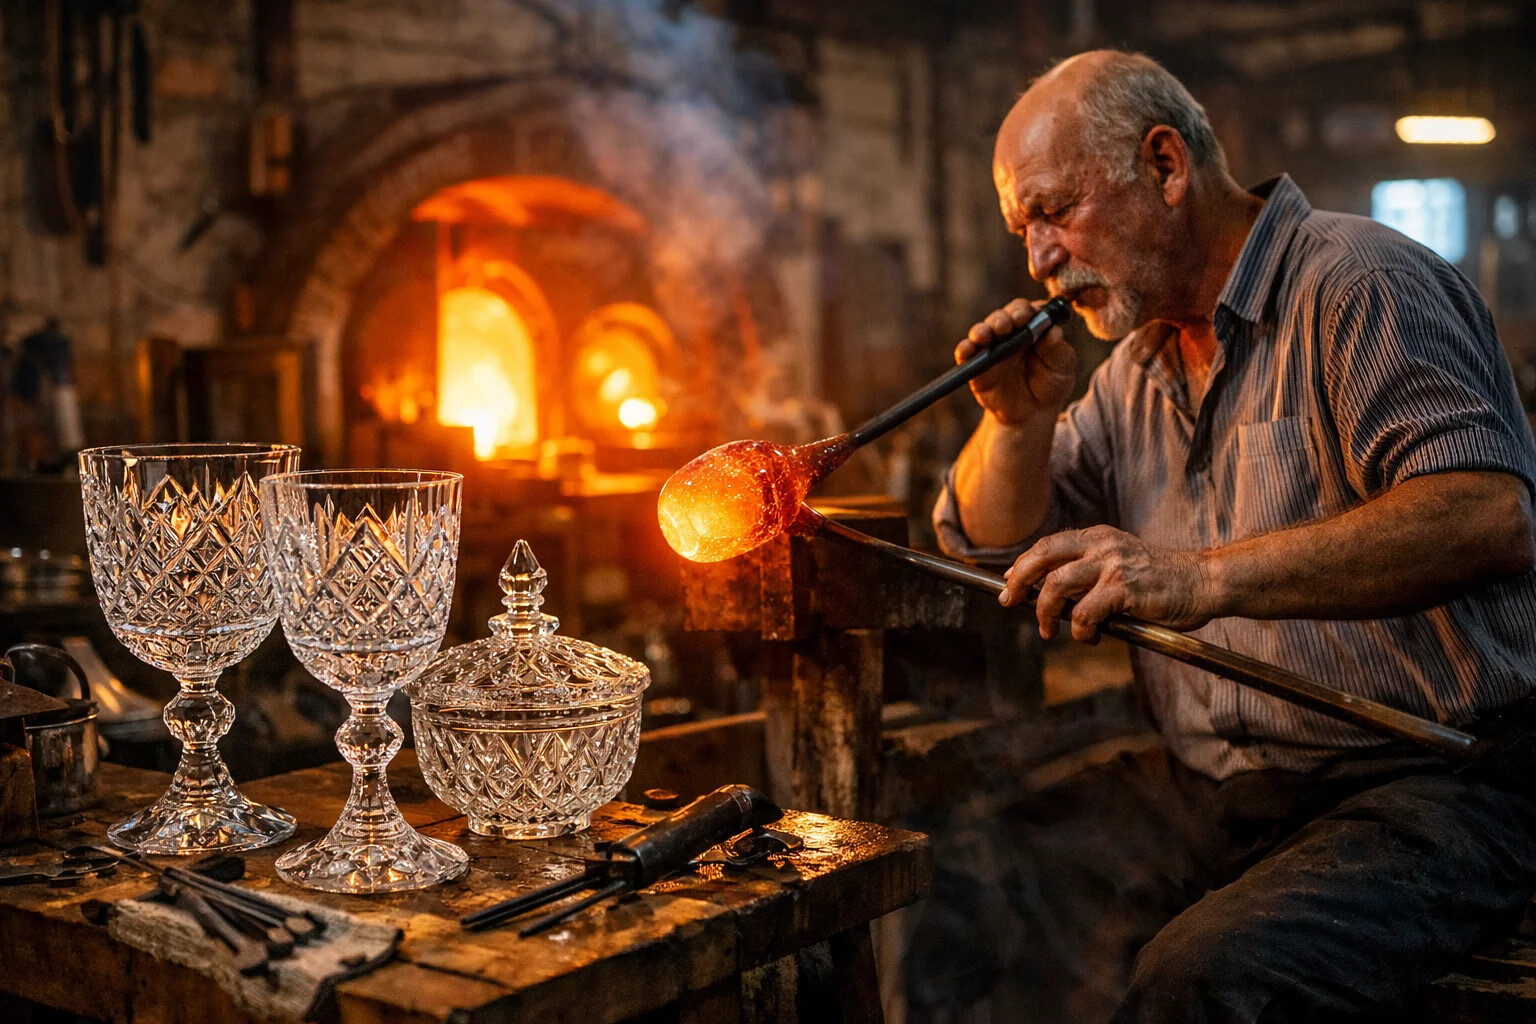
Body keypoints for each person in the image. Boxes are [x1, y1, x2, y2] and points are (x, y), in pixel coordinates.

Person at [908, 49, 1536, 1023]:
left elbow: (1485, 515)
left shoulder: (1359, 284)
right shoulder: (1134, 369)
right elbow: (988, 549)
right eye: (1021, 230)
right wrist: (1017, 426)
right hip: (1230, 785)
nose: (1037, 259)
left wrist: (1200, 577)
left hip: (1434, 774)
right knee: (971, 887)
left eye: (1054, 211)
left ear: (1165, 166)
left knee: (1207, 975)